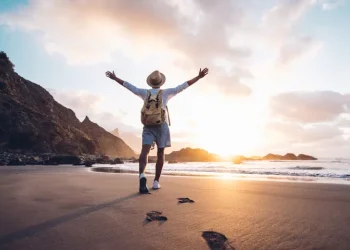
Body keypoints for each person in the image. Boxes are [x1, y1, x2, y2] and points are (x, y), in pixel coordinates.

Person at [105, 68, 209, 193]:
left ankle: (142, 175)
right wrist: (198, 77)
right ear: (161, 82)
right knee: (160, 152)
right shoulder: (166, 93)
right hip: (161, 126)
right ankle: (155, 182)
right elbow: (183, 86)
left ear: (151, 82)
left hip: (148, 125)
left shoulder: (144, 93)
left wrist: (115, 78)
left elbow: (129, 86)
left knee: (145, 152)